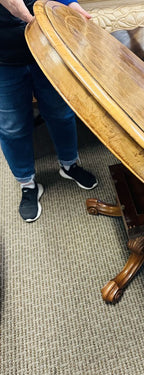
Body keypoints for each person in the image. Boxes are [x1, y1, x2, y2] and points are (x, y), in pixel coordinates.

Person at [0, 0, 97, 222]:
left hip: (47, 46)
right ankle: (27, 183)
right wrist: (31, 19)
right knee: (11, 125)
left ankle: (69, 165)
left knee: (61, 111)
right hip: (4, 57)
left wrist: (69, 5)